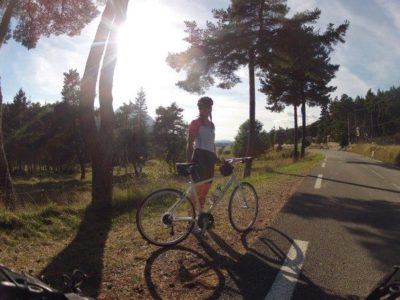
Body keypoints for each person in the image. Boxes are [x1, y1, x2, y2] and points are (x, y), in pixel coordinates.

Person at [187, 96, 217, 212]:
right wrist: (188, 162)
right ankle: (191, 217)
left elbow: (212, 144)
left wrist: (216, 158)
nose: (204, 110)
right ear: (199, 109)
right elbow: (189, 144)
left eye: (207, 108)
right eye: (201, 108)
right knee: (196, 191)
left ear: (210, 109)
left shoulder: (211, 125)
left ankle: (200, 215)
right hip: (199, 158)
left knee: (205, 190)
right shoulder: (195, 123)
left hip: (209, 160)